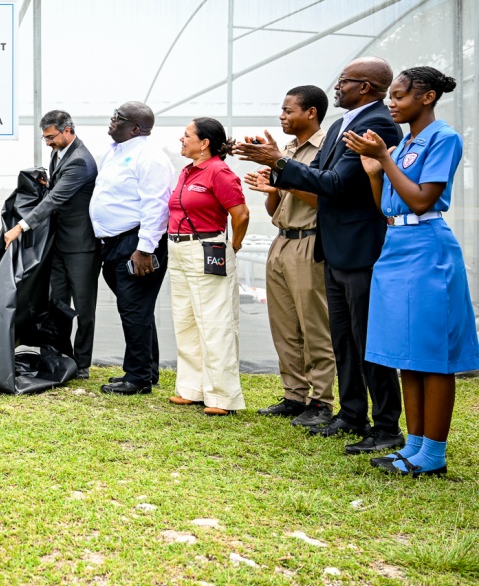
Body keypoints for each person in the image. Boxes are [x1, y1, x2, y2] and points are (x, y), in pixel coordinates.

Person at [235, 56, 404, 456]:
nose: (337, 87)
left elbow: (338, 185)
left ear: (366, 87)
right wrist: (278, 167)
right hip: (335, 247)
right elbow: (323, 182)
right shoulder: (343, 127)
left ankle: (386, 427)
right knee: (342, 338)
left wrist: (279, 162)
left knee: (367, 341)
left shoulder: (377, 122)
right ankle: (350, 414)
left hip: (360, 247)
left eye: (345, 81)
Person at [344, 67, 479, 477]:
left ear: (428, 97)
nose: (392, 103)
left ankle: (433, 454)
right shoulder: (403, 146)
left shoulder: (444, 138)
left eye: (400, 96)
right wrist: (375, 173)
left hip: (426, 248)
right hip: (395, 246)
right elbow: (388, 206)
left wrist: (384, 158)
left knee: (432, 354)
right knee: (408, 353)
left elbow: (421, 201)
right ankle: (415, 446)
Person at [243, 86, 336, 428]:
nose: (282, 116)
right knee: (284, 325)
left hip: (310, 241)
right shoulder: (287, 149)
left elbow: (324, 198)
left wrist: (282, 172)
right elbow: (276, 207)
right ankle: (294, 395)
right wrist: (272, 187)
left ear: (311, 112)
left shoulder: (327, 147)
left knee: (314, 326)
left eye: (288, 110)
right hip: (281, 239)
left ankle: (322, 401)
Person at [3, 110, 99, 378]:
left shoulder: (80, 161)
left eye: (51, 137)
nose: (47, 143)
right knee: (56, 303)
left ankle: (81, 363)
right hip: (58, 245)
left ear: (68, 130)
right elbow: (54, 190)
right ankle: (54, 354)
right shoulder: (59, 152)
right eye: (45, 138)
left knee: (83, 308)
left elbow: (55, 199)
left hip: (81, 247)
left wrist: (20, 227)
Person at [166, 118, 249, 416]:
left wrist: (233, 246)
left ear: (204, 143)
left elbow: (240, 214)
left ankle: (222, 396)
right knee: (185, 318)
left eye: (186, 135)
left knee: (215, 322)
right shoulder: (186, 172)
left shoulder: (219, 172)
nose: (181, 139)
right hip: (178, 248)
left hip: (207, 248)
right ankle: (191, 388)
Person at [92, 102, 175, 396]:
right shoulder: (114, 153)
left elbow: (156, 205)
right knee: (137, 310)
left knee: (134, 309)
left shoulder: (149, 157)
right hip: (113, 244)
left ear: (135, 128)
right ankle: (146, 370)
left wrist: (144, 249)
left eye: (118, 118)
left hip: (136, 243)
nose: (111, 120)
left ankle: (137, 378)